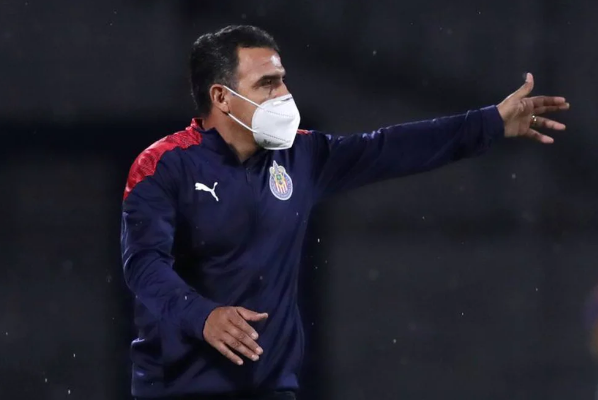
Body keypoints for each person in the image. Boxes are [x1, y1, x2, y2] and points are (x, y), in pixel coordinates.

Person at [120, 25, 569, 400]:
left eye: (283, 80)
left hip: (270, 387)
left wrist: (490, 122)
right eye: (267, 84)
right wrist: (202, 315)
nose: (284, 95)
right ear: (221, 96)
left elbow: (390, 148)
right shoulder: (163, 166)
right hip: (180, 388)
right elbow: (143, 264)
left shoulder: (301, 157)